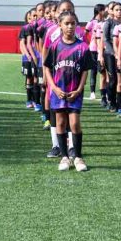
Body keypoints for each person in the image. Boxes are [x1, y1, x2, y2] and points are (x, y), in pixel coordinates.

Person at [43, 11, 94, 172]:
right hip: (59, 92)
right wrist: (54, 87)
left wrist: (79, 89)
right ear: (60, 25)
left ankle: (78, 157)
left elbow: (86, 70)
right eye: (66, 23)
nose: (70, 26)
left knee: (74, 124)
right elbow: (47, 67)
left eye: (73, 23)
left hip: (74, 93)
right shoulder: (55, 46)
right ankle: (65, 157)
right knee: (60, 123)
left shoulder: (82, 46)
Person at [85, 4, 106, 101]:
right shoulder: (91, 22)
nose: (105, 11)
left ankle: (104, 93)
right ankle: (92, 92)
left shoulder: (105, 22)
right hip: (93, 48)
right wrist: (88, 43)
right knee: (93, 71)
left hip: (102, 48)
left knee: (102, 71)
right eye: (104, 10)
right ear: (99, 11)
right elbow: (84, 34)